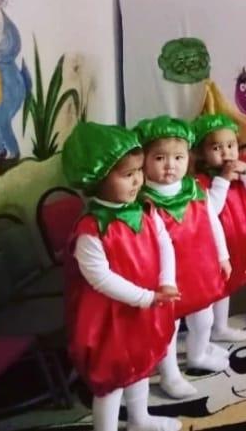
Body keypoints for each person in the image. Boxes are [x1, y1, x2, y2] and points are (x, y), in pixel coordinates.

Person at [62, 122, 181, 431]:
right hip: (108, 317)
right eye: (128, 175)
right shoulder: (91, 229)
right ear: (99, 179)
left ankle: (140, 419)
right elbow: (100, 277)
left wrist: (167, 281)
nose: (138, 179)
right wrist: (146, 297)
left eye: (139, 171)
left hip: (142, 307)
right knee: (112, 379)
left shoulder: (144, 210)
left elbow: (164, 242)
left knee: (140, 364)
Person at [136, 116, 231, 399]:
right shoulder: (142, 200)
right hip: (166, 276)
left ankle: (197, 354)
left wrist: (223, 255)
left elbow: (213, 222)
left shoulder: (194, 189)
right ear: (144, 161)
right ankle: (169, 375)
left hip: (200, 267)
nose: (170, 165)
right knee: (169, 325)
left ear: (188, 158)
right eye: (160, 158)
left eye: (178, 157)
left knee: (204, 316)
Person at [192, 113, 246, 343]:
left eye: (231, 145)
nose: (226, 153)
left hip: (240, 239)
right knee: (218, 286)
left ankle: (221, 326)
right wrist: (224, 179)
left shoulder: (242, 173)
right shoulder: (201, 181)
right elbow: (212, 209)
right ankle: (212, 329)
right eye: (217, 148)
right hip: (217, 245)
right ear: (202, 153)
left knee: (229, 283)